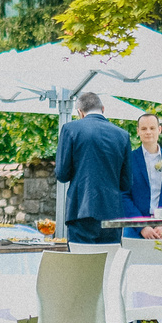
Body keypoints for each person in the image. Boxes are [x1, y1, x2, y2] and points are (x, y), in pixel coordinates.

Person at [53, 91, 133, 245]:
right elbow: (126, 183)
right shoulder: (122, 135)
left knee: (82, 266)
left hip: (80, 210)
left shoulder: (70, 129)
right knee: (108, 265)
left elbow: (62, 174)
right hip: (113, 213)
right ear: (103, 109)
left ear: (80, 112)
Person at [123, 111, 162, 239]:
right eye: (144, 129)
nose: (148, 132)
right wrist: (142, 226)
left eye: (152, 128)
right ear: (138, 131)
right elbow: (123, 196)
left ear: (159, 129)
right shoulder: (128, 160)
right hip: (135, 231)